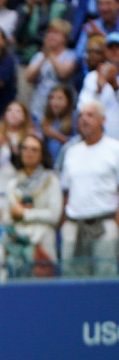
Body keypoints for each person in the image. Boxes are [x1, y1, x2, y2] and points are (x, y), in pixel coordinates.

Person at [59, 99, 119, 277]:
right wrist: (64, 224)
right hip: (74, 224)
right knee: (71, 277)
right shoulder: (71, 151)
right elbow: (66, 192)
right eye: (81, 116)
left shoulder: (114, 149)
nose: (84, 119)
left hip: (105, 222)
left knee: (106, 276)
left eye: (90, 115)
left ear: (103, 120)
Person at [0, 134, 62, 279]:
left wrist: (25, 214)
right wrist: (14, 214)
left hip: (42, 244)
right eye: (25, 148)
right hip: (16, 246)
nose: (29, 153)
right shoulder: (13, 184)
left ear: (41, 155)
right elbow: (6, 218)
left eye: (34, 150)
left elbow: (54, 215)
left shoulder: (51, 181)